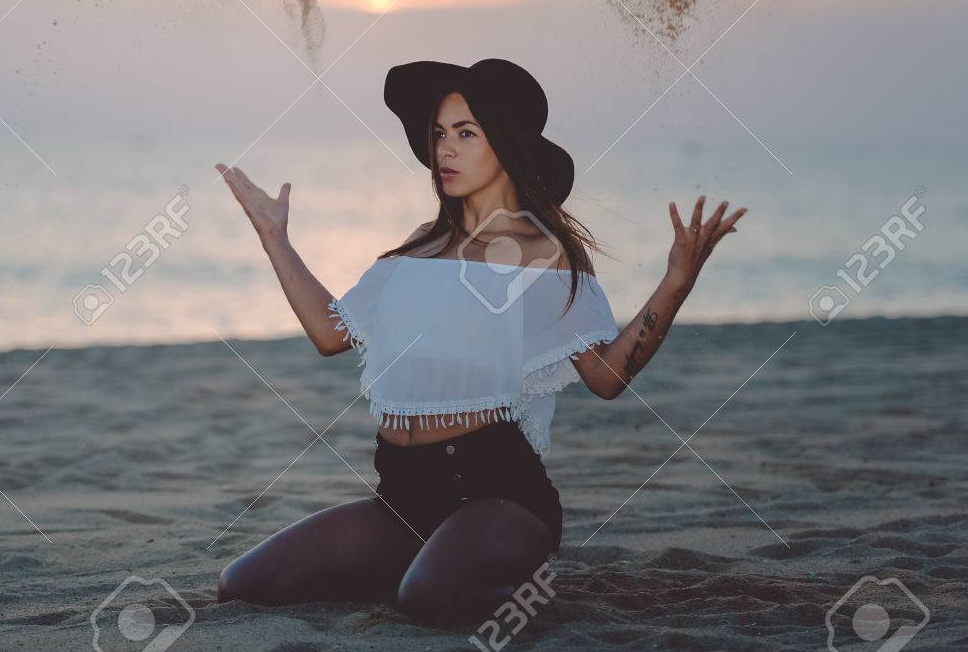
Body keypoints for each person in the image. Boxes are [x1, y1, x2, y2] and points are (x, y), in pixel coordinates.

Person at [213, 58, 745, 626]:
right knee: (244, 586)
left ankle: (499, 584)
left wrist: (676, 281)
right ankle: (428, 564)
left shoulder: (542, 253)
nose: (446, 150)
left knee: (428, 599)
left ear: (506, 145)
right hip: (403, 497)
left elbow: (606, 377)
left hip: (498, 495)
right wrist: (275, 238)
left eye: (466, 133)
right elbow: (330, 334)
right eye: (440, 133)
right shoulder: (421, 244)